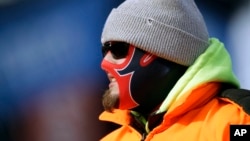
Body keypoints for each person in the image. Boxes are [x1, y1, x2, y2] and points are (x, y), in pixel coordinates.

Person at [98, 0, 250, 140]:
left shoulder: (237, 122)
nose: (104, 63)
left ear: (165, 52)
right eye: (104, 51)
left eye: (118, 50)